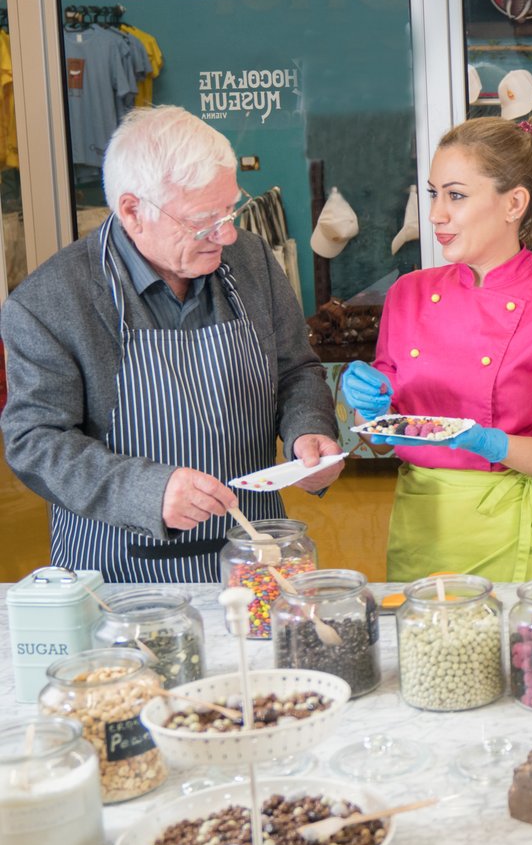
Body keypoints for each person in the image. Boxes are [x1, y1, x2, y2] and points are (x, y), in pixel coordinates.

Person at [1, 105, 342, 583]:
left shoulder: (251, 261)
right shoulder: (49, 302)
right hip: (121, 571)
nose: (225, 234)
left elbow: (296, 371)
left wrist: (309, 431)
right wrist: (148, 491)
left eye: (231, 210)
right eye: (204, 221)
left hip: (255, 555)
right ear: (133, 211)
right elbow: (34, 441)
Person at [341, 115, 532, 583]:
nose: (436, 215)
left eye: (456, 195)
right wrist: (369, 411)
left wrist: (488, 442)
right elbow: (379, 437)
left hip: (508, 532)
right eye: (433, 194)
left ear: (514, 204)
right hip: (420, 525)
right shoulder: (408, 294)